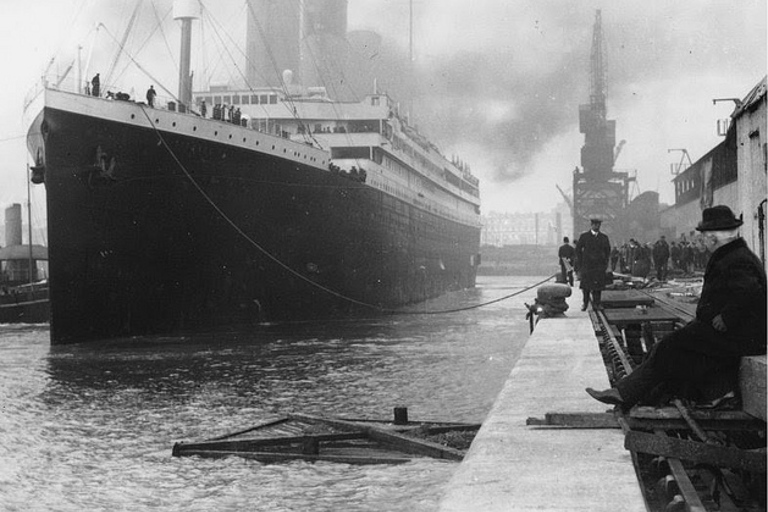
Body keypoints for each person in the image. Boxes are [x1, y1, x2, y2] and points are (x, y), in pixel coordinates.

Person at [586, 205, 767, 408]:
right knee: (669, 349)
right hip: (733, 333)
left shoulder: (736, 259)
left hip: (738, 335)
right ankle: (638, 396)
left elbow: (750, 291)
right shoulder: (733, 255)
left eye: (704, 237)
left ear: (714, 238)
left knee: (668, 347)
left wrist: (727, 317)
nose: (702, 241)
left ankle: (627, 394)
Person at [574, 218, 611, 311]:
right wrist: (581, 261)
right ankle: (585, 303)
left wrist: (605, 262)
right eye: (595, 225)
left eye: (598, 225)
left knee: (598, 287)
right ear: (591, 225)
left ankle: (597, 304)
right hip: (587, 266)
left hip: (599, 266)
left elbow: (607, 251)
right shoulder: (584, 236)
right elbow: (578, 249)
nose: (597, 226)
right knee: (586, 287)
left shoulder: (604, 237)